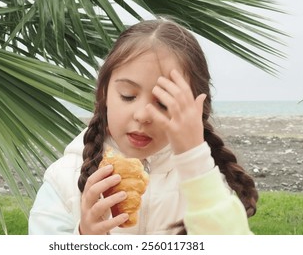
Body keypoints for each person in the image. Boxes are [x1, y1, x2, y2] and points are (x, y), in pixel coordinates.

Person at [28, 17, 258, 235]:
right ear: (104, 93)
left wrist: (195, 163)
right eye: (128, 96)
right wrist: (83, 237)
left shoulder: (203, 181)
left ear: (195, 109)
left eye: (163, 102)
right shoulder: (64, 179)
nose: (143, 115)